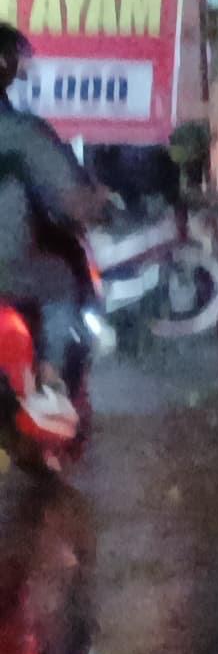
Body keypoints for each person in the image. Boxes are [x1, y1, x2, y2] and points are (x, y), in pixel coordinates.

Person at [0, 28, 104, 436]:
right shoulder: (20, 131)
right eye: (17, 61)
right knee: (61, 282)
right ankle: (50, 387)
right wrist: (98, 206)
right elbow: (70, 197)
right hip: (9, 265)